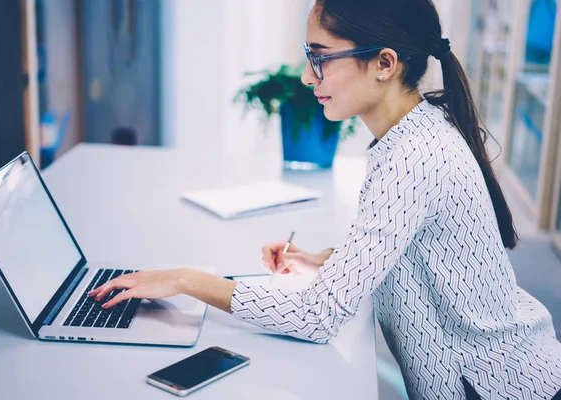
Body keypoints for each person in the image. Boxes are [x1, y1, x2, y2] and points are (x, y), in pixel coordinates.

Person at [89, 0, 561, 398]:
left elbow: (318, 316)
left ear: (384, 64)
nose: (305, 75)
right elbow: (412, 249)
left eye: (320, 57)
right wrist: (330, 262)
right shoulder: (415, 131)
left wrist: (186, 279)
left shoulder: (412, 158)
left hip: (497, 386)